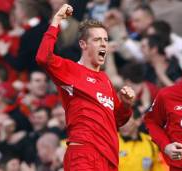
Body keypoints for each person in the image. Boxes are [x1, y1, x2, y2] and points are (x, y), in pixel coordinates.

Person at [35, 4, 135, 171]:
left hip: (109, 158)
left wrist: (125, 104)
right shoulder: (71, 70)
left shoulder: (105, 80)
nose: (103, 44)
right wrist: (56, 21)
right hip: (83, 154)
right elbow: (43, 58)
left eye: (106, 40)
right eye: (97, 40)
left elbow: (117, 121)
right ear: (83, 44)